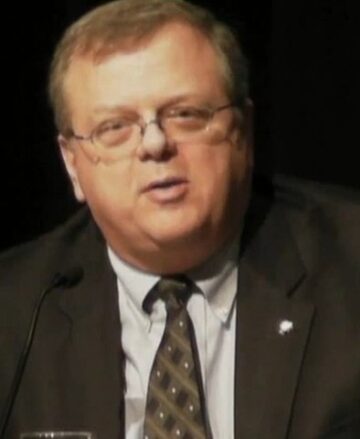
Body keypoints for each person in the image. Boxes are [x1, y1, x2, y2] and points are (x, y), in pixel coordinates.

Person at [0, 0, 359, 438]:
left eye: (185, 115)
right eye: (114, 127)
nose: (154, 144)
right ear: (73, 164)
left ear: (243, 131)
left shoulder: (349, 264)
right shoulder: (13, 310)